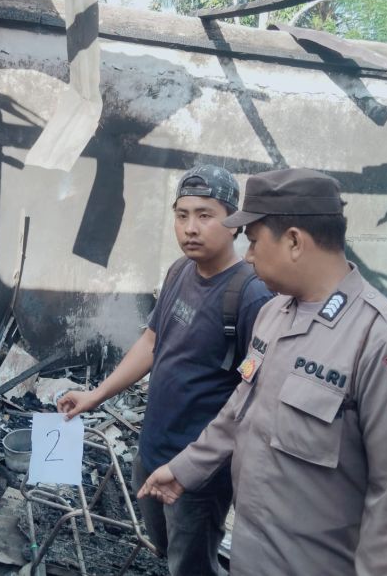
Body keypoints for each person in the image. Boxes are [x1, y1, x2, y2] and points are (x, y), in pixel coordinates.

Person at [139, 168, 387, 576]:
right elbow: (241, 405)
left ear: (294, 241)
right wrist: (186, 467)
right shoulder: (274, 314)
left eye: (256, 241)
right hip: (251, 555)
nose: (248, 256)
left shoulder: (384, 343)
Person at [58, 165, 272, 576]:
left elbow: (256, 396)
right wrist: (97, 395)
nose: (190, 228)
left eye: (205, 215)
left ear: (233, 223)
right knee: (166, 550)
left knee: (191, 565)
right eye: (182, 214)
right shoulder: (179, 272)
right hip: (152, 448)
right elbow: (151, 344)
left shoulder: (250, 296)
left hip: (198, 471)